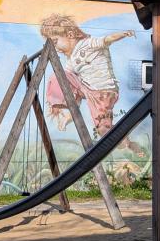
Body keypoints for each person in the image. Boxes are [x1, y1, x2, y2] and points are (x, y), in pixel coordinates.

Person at [40, 14, 146, 157]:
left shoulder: (88, 43)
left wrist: (122, 34)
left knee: (103, 130)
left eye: (55, 42)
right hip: (88, 89)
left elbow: (106, 40)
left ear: (70, 34)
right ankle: (67, 111)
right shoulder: (72, 60)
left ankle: (128, 143)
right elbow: (66, 78)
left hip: (104, 92)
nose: (56, 47)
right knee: (58, 75)